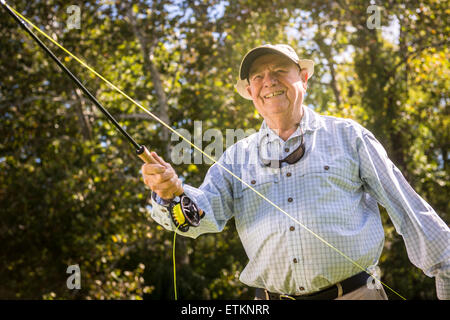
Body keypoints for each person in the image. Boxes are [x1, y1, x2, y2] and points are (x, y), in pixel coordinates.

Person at [142, 44, 449, 300]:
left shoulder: (349, 136)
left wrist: (447, 270)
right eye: (258, 77)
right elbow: (202, 217)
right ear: (250, 91)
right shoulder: (235, 157)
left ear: (303, 78)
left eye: (278, 71)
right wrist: (171, 194)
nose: (269, 81)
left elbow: (409, 211)